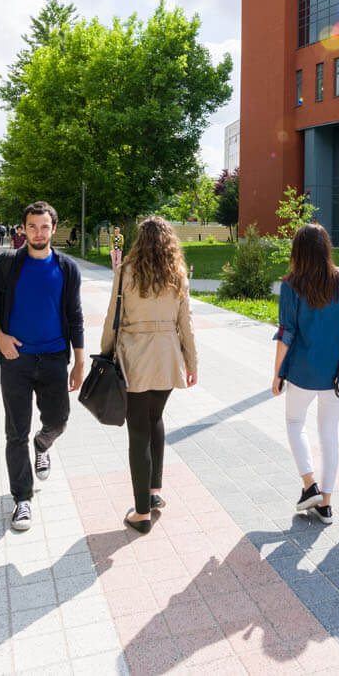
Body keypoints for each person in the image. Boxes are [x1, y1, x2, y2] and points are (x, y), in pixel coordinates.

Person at [0, 201, 84, 532]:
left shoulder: (67, 268)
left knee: (59, 421)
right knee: (16, 432)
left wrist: (80, 360)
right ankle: (22, 500)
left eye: (44, 227)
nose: (38, 233)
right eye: (32, 226)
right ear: (23, 229)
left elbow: (75, 315)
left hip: (55, 357)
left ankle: (42, 446)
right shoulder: (7, 264)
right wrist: (0, 337)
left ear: (54, 229)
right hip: (16, 360)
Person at [101, 216, 199, 534]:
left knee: (138, 432)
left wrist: (104, 354)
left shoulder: (126, 272)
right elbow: (187, 324)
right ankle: (154, 493)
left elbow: (112, 319)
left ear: (139, 242)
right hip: (168, 357)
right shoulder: (178, 276)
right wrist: (192, 364)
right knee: (155, 419)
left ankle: (141, 513)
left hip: (134, 357)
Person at [272, 223, 339, 526]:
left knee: (295, 422)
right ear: (326, 248)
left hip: (303, 371)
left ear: (297, 251)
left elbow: (287, 332)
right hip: (338, 372)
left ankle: (309, 485)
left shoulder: (291, 284)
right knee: (329, 432)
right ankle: (327, 505)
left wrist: (277, 373)